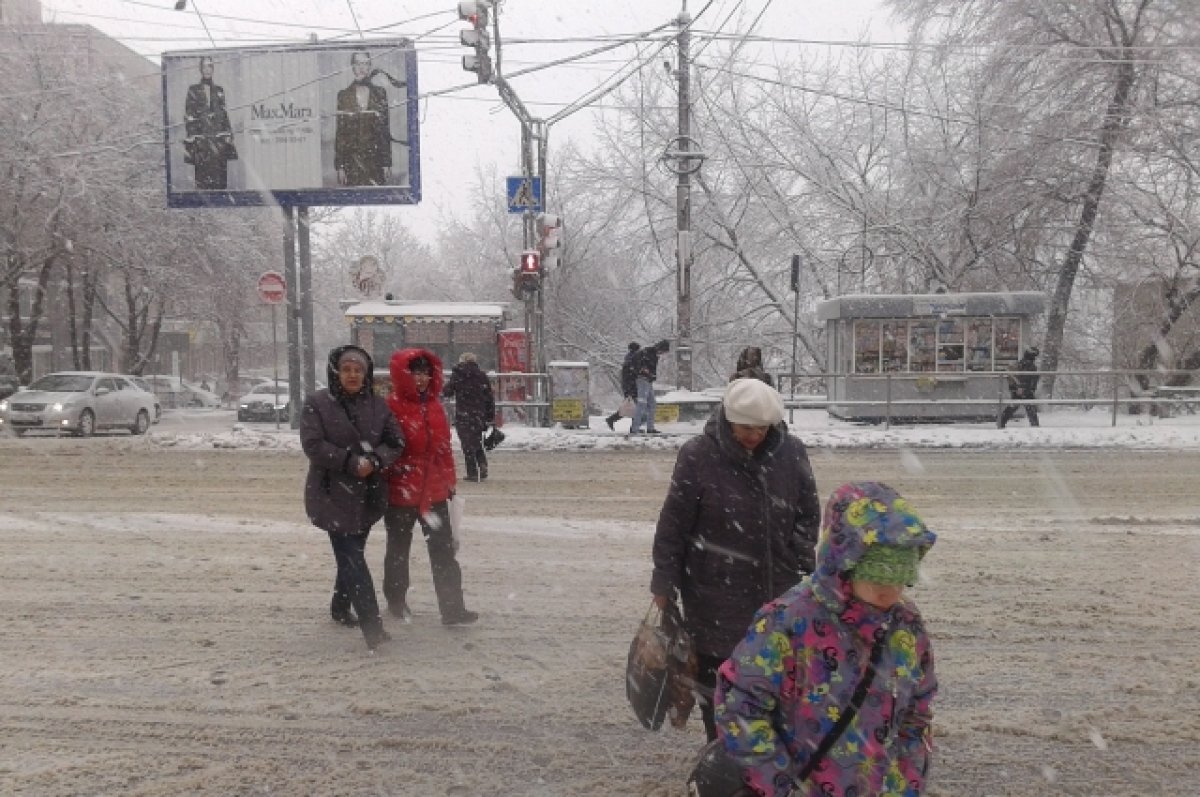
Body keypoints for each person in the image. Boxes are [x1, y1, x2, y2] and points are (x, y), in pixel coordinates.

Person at [713, 481, 938, 797]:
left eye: (900, 580)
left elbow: (916, 714)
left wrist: (904, 787)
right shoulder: (789, 621)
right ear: (843, 564)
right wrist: (780, 787)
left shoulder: (906, 627)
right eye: (875, 578)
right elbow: (740, 707)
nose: (888, 592)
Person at [650, 377, 821, 741]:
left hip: (778, 591)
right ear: (729, 420)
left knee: (776, 679)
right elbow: (673, 524)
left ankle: (770, 754)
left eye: (762, 428)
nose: (754, 436)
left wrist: (797, 553)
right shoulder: (698, 455)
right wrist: (663, 582)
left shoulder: (792, 453)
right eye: (746, 427)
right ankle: (722, 755)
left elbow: (808, 512)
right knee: (717, 684)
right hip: (713, 594)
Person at [300, 345, 404, 652]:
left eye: (358, 370)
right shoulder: (317, 403)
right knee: (353, 559)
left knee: (352, 553)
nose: (353, 375)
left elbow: (395, 442)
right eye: (346, 369)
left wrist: (375, 461)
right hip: (331, 493)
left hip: (368, 494)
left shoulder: (378, 406)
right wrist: (349, 462)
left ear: (366, 373)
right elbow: (313, 444)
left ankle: (339, 607)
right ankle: (372, 626)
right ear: (336, 371)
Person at [382, 348, 479, 626]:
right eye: (415, 373)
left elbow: (444, 449)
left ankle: (452, 608)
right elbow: (387, 448)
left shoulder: (436, 406)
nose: (421, 379)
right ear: (404, 375)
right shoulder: (391, 407)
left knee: (443, 552)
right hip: (401, 492)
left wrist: (449, 482)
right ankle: (396, 600)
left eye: (426, 373)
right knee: (398, 550)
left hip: (433, 492)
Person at [334, 50, 392, 187]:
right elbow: (341, 133)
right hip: (352, 161)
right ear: (352, 67)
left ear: (370, 66)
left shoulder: (380, 93)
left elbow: (384, 130)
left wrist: (386, 163)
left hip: (375, 160)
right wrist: (340, 166)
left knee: (376, 202)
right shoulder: (343, 95)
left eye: (365, 63)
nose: (361, 67)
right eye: (358, 63)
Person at [183, 56, 238, 190]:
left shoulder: (219, 90)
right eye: (205, 66)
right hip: (203, 144)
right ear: (200, 69)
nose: (207, 69)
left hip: (218, 141)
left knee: (219, 182)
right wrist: (195, 135)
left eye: (210, 66)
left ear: (213, 69)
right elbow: (189, 114)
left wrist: (228, 133)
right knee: (203, 183)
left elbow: (224, 113)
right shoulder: (193, 89)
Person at [442, 351, 496, 482]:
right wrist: (490, 416)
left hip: (464, 414)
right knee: (476, 441)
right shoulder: (482, 375)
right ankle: (482, 464)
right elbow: (489, 397)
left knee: (467, 443)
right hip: (479, 414)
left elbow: (447, 392)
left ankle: (472, 472)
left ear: (462, 361)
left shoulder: (458, 375)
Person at [630, 338, 670, 435]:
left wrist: (652, 375)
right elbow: (640, 365)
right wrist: (644, 371)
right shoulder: (647, 352)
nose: (662, 353)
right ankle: (635, 429)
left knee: (652, 404)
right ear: (661, 348)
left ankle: (650, 428)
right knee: (642, 404)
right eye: (663, 351)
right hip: (642, 380)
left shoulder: (653, 354)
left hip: (648, 381)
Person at [1000, 346, 1041, 428]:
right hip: (1024, 388)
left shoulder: (1022, 364)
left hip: (1019, 388)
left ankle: (1001, 421)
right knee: (1029, 407)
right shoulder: (1029, 366)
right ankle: (1035, 424)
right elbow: (1027, 377)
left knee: (1016, 405)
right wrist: (1026, 388)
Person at [606, 341, 641, 431]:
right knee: (635, 408)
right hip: (631, 388)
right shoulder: (632, 360)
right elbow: (632, 375)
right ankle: (633, 428)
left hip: (629, 387)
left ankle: (612, 420)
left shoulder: (629, 359)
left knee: (631, 407)